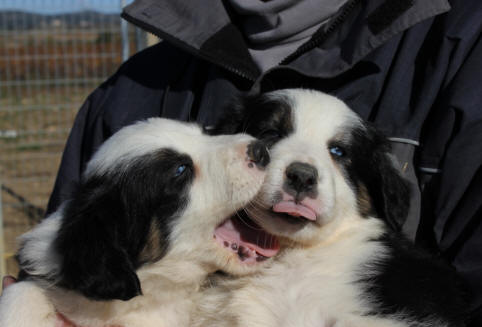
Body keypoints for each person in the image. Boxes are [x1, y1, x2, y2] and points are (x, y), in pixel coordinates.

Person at [4, 0, 482, 325]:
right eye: (270, 135)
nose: (297, 166)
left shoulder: (459, 49)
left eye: (339, 153)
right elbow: (75, 258)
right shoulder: (130, 94)